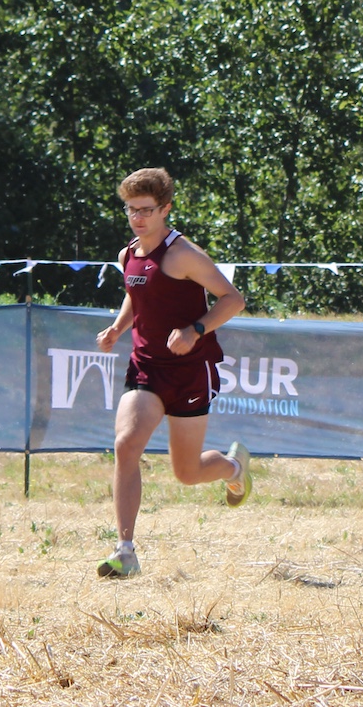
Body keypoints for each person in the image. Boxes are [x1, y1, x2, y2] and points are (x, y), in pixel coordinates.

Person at [92, 168, 250, 578]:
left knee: (187, 472)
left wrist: (196, 329)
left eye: (146, 210)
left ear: (165, 209)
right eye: (131, 209)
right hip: (146, 367)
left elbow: (233, 300)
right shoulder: (129, 254)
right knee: (126, 445)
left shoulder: (184, 255)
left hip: (189, 371)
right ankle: (125, 551)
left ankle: (234, 468)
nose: (138, 218)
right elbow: (137, 295)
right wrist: (117, 327)